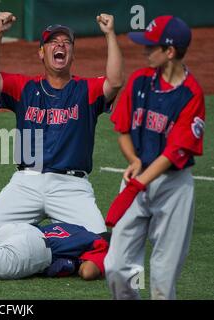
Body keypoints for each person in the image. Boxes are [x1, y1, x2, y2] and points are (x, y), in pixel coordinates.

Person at [0, 12, 124, 242]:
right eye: (52, 42)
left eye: (66, 43)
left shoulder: (86, 90)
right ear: (42, 52)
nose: (60, 45)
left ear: (72, 54)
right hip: (26, 182)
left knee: (98, 244)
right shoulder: (24, 87)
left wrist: (110, 34)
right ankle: (40, 239)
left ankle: (48, 245)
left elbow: (114, 82)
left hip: (71, 186)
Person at [104, 16, 205, 300]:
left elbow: (173, 155)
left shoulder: (191, 95)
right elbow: (122, 129)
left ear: (170, 52)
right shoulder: (139, 81)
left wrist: (139, 183)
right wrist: (133, 159)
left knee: (161, 279)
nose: (145, 51)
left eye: (151, 46)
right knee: (117, 267)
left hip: (172, 188)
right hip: (138, 177)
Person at [0, 222, 109, 281]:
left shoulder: (80, 229)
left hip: (19, 229)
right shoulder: (103, 245)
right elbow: (88, 272)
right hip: (31, 249)